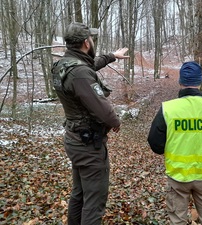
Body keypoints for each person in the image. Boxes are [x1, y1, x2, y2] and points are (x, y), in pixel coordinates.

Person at [51, 22, 129, 225]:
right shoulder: (80, 74)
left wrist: (112, 56)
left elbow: (88, 66)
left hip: (75, 140)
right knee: (94, 202)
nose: (92, 41)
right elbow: (103, 109)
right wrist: (115, 121)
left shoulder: (65, 65)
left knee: (80, 194)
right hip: (88, 146)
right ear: (86, 42)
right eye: (91, 38)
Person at [147, 61, 202, 225]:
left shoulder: (168, 109)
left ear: (180, 81)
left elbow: (155, 143)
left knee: (178, 220)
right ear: (200, 81)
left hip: (178, 175)